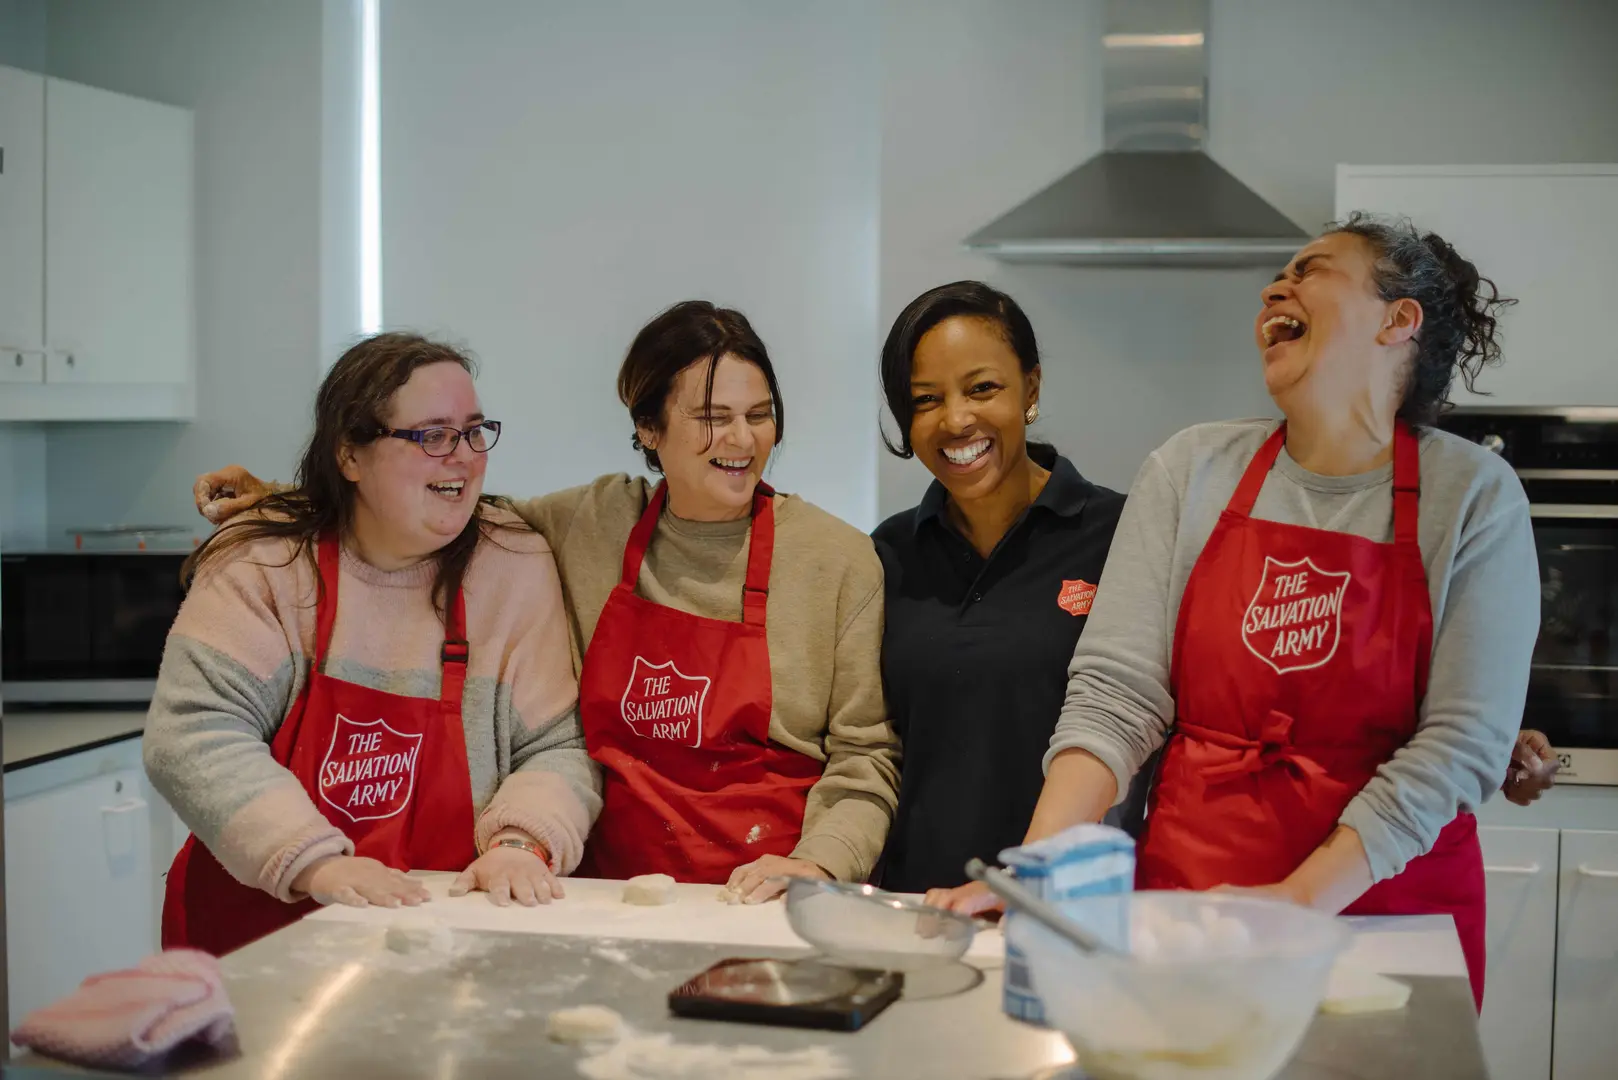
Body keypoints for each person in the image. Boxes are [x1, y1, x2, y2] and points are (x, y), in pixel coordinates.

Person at [931, 214, 1539, 1010]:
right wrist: (1039, 870)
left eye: (1313, 269)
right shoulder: (1192, 468)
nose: (1274, 287)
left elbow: (1460, 745)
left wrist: (1296, 904)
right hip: (1193, 908)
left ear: (1398, 320)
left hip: (1387, 917)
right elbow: (1118, 696)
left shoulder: (1472, 496)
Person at [193, 303, 900, 903]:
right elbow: (438, 501)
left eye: (760, 414)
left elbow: (866, 757)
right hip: (599, 900)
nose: (742, 441)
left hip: (764, 896)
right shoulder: (591, 524)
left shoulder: (835, 561)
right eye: (712, 417)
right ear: (648, 429)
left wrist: (818, 865)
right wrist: (293, 498)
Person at [150, 333, 600, 957]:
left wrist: (522, 842)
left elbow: (556, 745)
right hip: (261, 938)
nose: (463, 457)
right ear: (350, 456)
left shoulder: (512, 562)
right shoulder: (265, 561)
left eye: (474, 432)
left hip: (448, 929)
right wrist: (315, 864)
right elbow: (193, 734)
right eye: (432, 435)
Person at [868, 281, 1132, 896]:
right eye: (926, 398)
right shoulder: (886, 555)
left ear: (1030, 389)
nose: (956, 419)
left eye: (982, 389)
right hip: (919, 905)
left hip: (1075, 907)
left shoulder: (1121, 534)